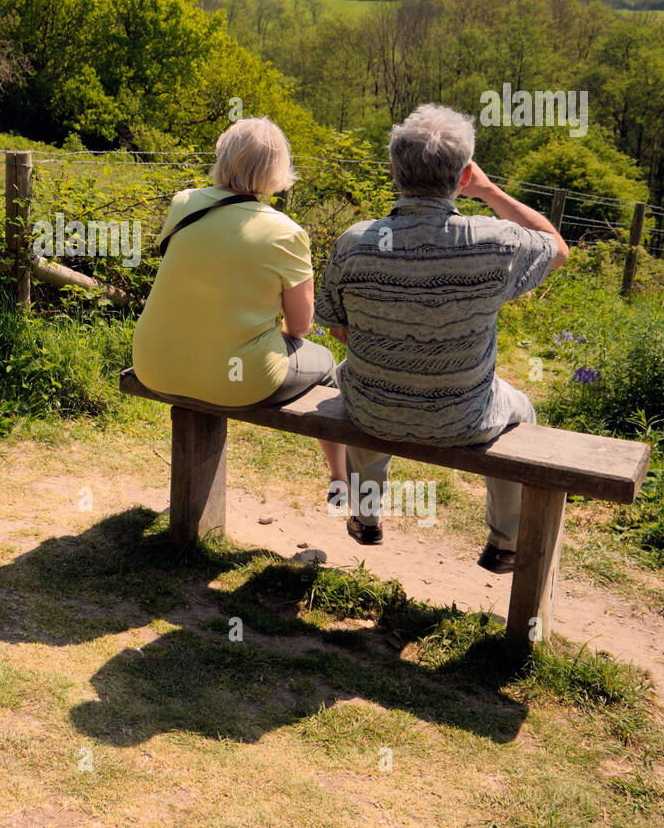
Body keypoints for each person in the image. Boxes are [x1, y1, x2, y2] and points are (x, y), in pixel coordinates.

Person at [315, 103, 568, 572]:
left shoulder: (355, 242)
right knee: (524, 408)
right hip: (465, 418)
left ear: (393, 171)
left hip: (373, 409)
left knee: (362, 377)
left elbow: (334, 323)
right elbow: (556, 247)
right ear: (464, 175)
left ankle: (365, 514)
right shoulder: (497, 242)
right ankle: (507, 541)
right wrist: (489, 190)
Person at [132, 117, 347, 498]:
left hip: (154, 362)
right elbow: (299, 327)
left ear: (223, 157)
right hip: (236, 380)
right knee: (328, 363)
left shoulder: (183, 203)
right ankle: (340, 477)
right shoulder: (286, 232)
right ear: (277, 171)